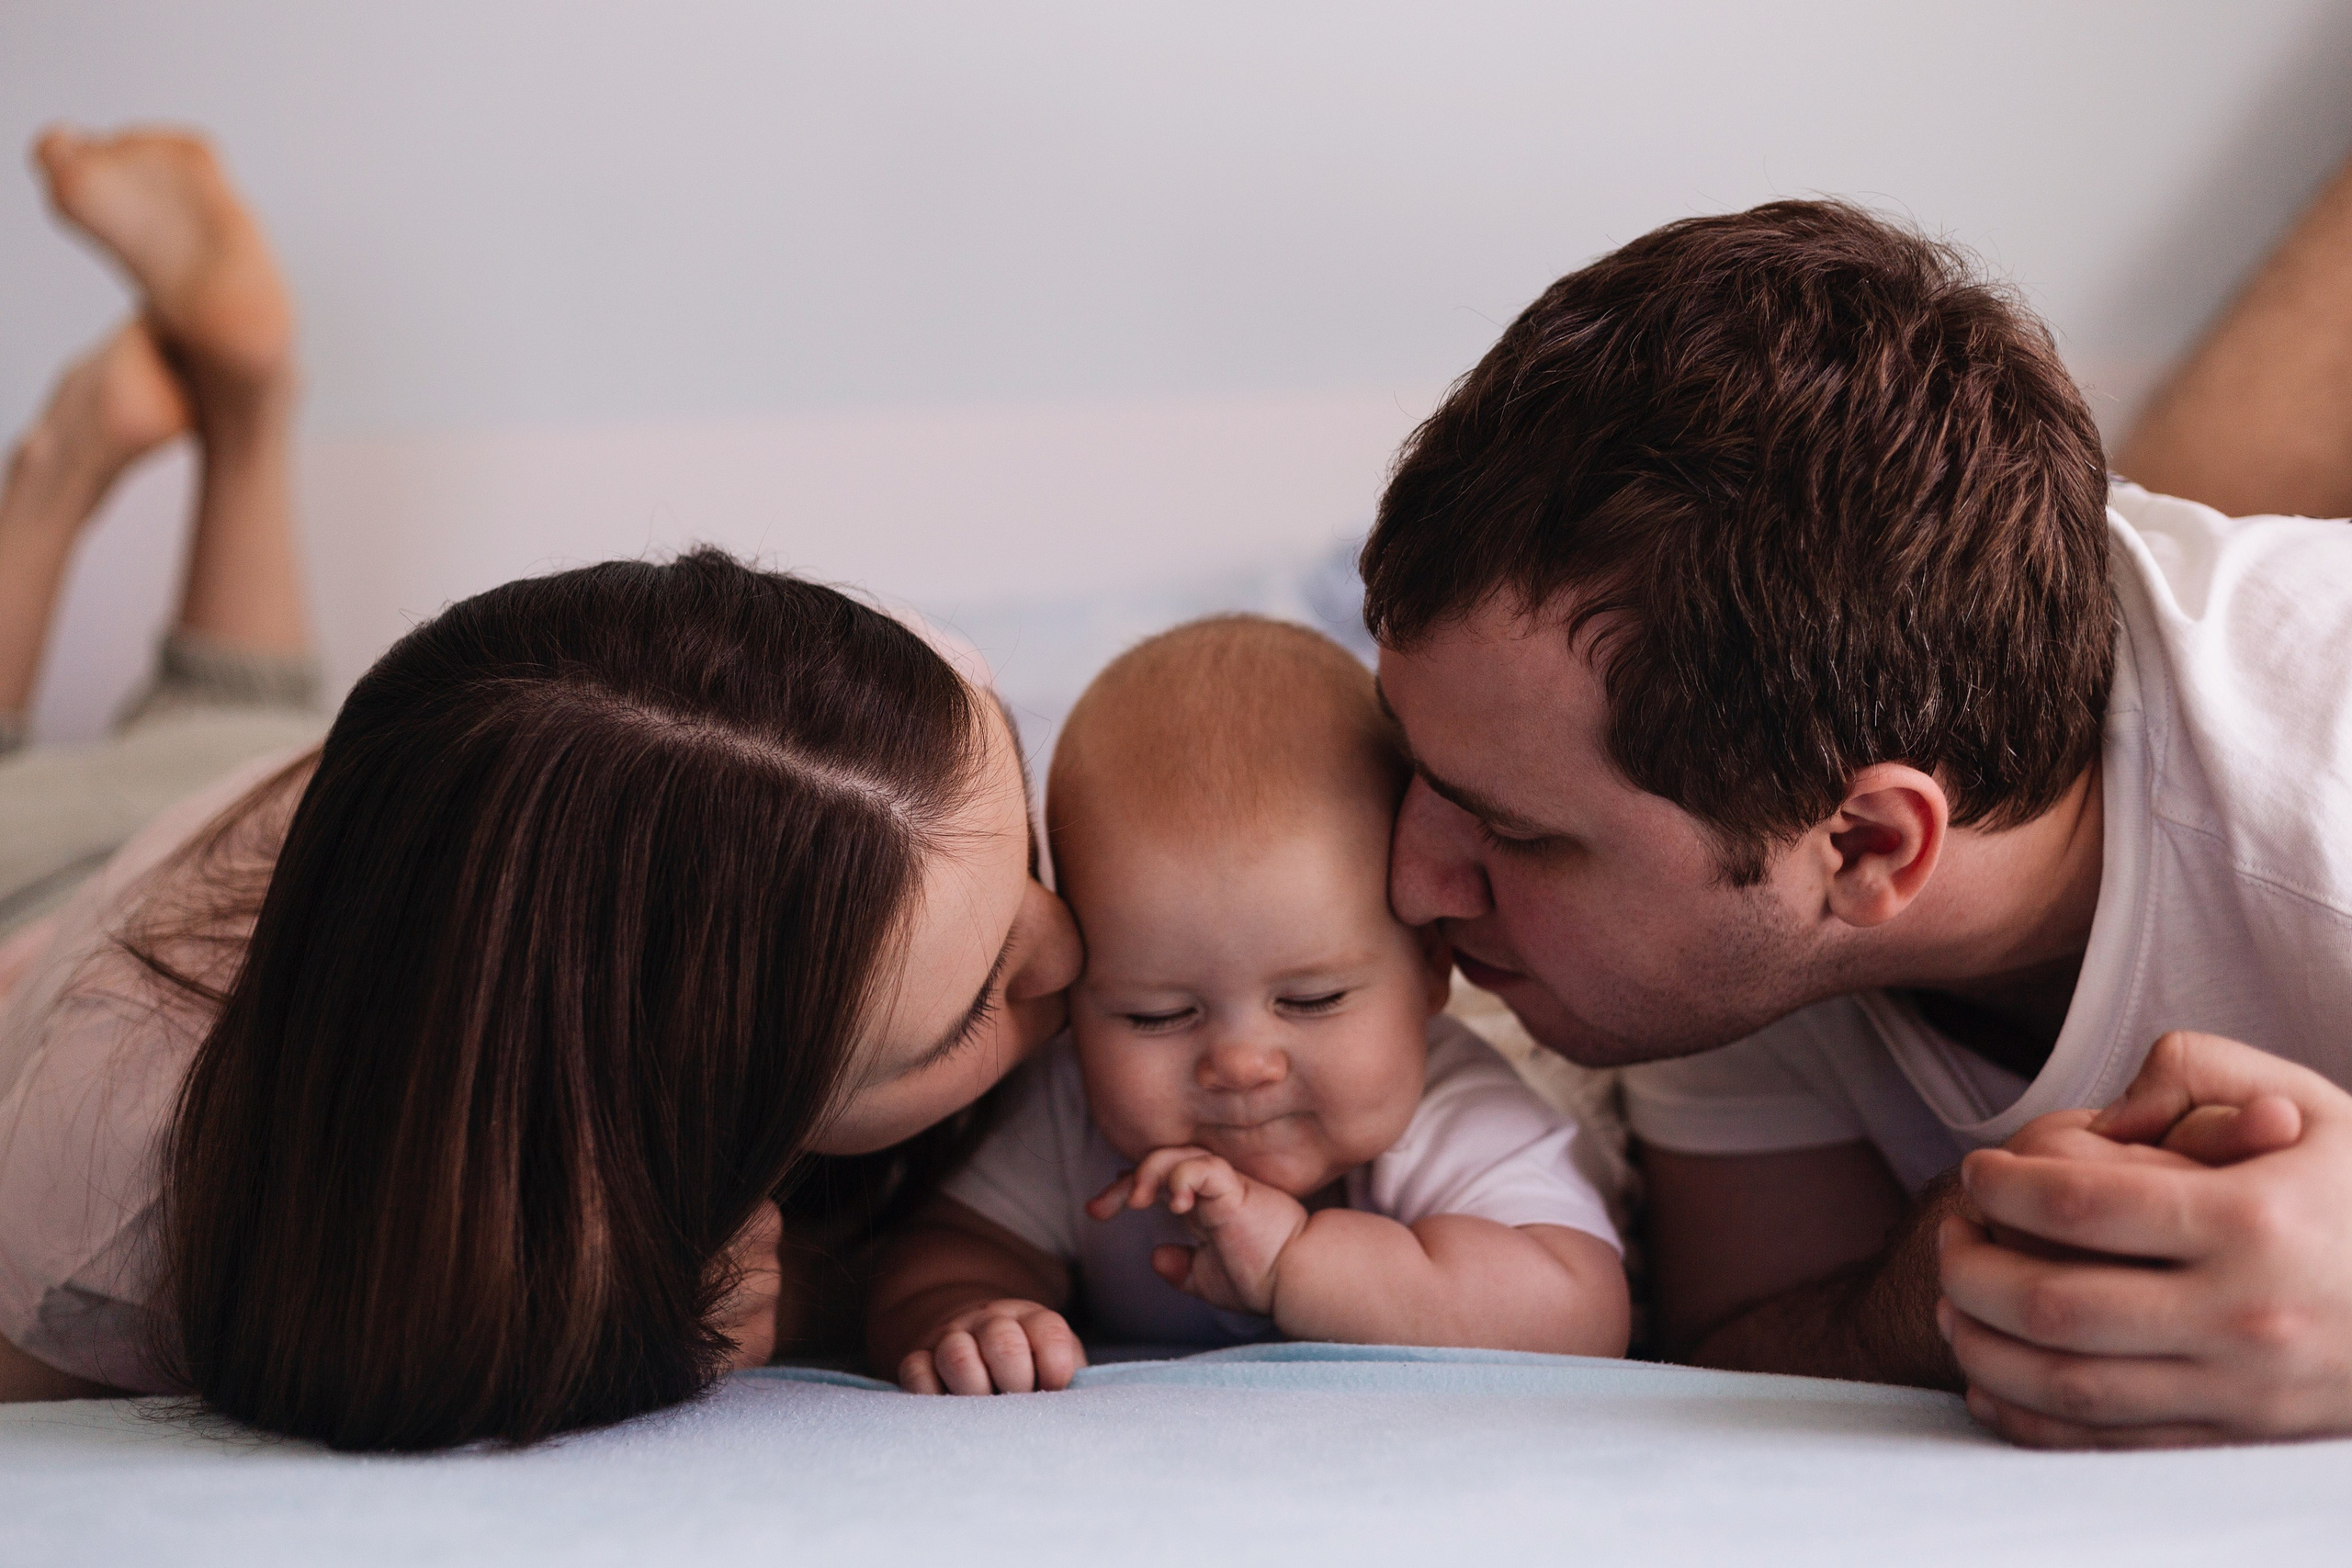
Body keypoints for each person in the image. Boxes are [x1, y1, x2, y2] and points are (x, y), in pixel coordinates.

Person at [0, 128, 1080, 1450]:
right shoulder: (108, 1219)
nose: (1067, 939)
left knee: (233, 717)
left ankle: (246, 399)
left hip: (287, 792)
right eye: (972, 1005)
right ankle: (50, 481)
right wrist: (769, 1309)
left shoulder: (896, 720)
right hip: (45, 900)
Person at [1362, 167, 2352, 1450]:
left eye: (1516, 830)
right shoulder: (1731, 897)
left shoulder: (2315, 763)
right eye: (1415, 772)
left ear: (1871, 844)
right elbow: (1746, 1337)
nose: (1409, 880)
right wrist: (1925, 1282)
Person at [868, 616, 1628, 1393]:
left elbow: (1580, 1312)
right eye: (1154, 1014)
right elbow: (942, 1252)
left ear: (1431, 966)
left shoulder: (1451, 1108)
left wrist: (1294, 1263)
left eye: (1312, 998)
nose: (1238, 1062)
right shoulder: (1071, 1107)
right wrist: (967, 1312)